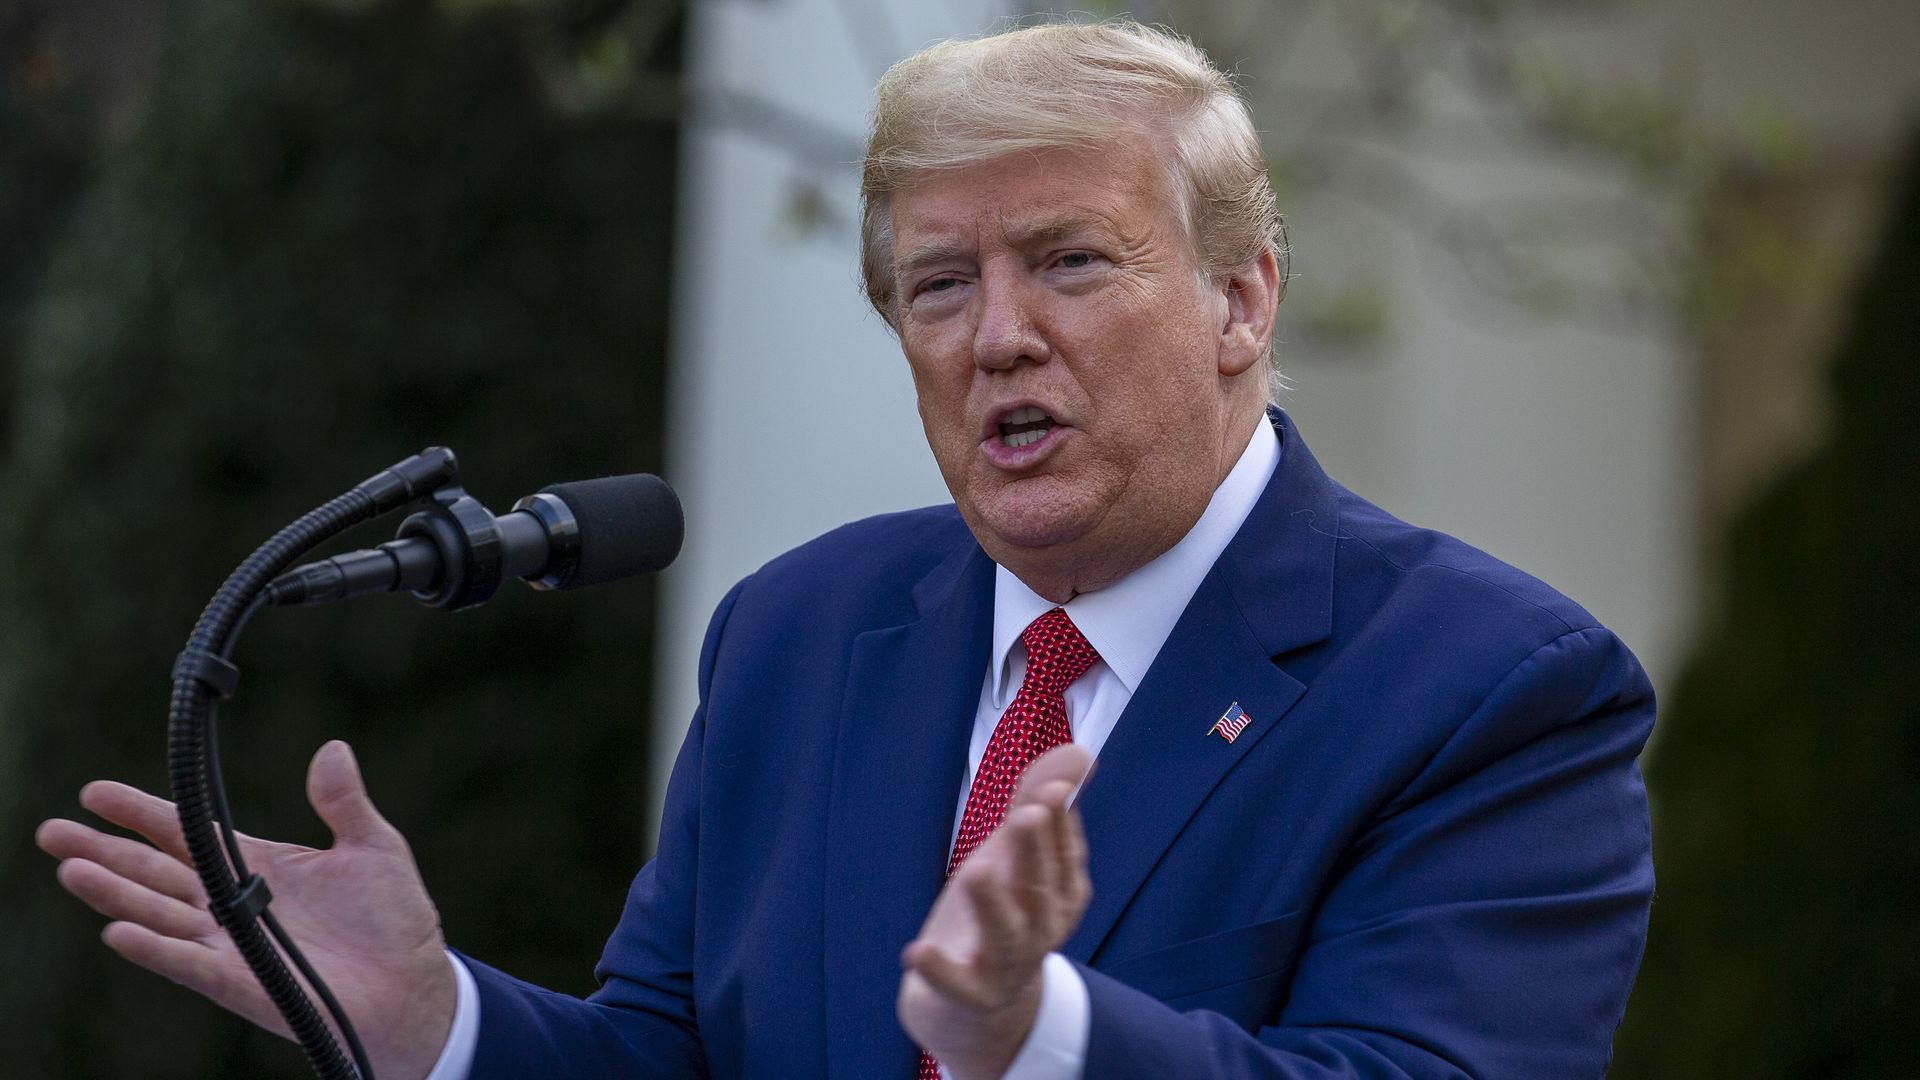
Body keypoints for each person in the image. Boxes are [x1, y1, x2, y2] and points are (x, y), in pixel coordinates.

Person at [36, 19, 1655, 1080]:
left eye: (1070, 262)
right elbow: (667, 1057)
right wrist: (439, 1024)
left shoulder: (1489, 689)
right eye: (939, 288)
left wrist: (1041, 1032)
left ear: (1243, 299)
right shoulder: (804, 631)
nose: (997, 338)